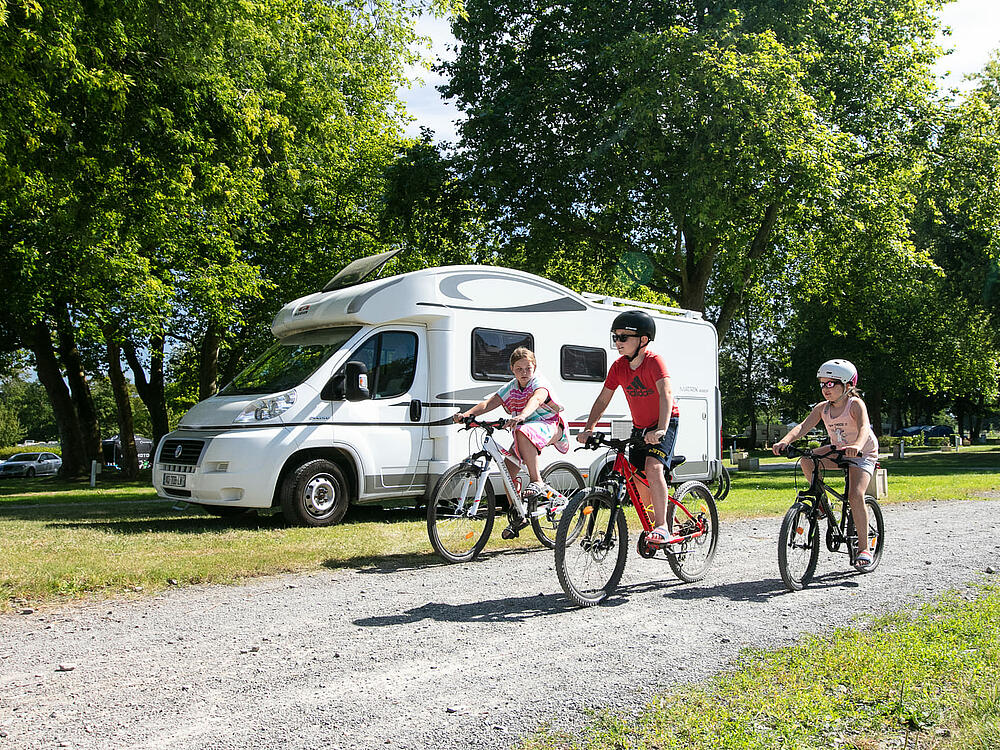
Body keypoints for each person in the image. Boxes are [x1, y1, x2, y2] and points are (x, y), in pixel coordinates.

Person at [576, 310, 679, 544]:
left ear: (643, 340)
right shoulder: (618, 367)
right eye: (615, 337)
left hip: (665, 422)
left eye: (624, 337)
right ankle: (657, 526)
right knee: (638, 479)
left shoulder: (654, 362)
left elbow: (666, 394)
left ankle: (662, 527)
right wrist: (589, 428)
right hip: (640, 426)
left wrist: (661, 429)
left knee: (653, 468)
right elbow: (603, 399)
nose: (618, 342)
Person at [772, 359, 879, 570]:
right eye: (822, 383)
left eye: (831, 383)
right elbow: (802, 426)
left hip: (862, 453)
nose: (825, 389)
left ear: (848, 385)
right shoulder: (822, 409)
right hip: (838, 449)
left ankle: (864, 548)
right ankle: (822, 503)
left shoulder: (855, 404)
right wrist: (785, 441)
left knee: (855, 495)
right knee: (806, 459)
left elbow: (864, 427)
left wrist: (857, 444)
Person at [454, 346, 569, 537]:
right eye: (519, 369)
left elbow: (537, 399)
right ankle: (519, 515)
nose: (524, 373)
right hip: (525, 429)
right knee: (507, 470)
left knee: (522, 431)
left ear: (534, 368)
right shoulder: (512, 386)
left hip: (550, 425)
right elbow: (488, 403)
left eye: (528, 368)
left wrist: (522, 415)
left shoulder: (538, 382)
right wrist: (466, 415)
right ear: (512, 369)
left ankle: (536, 480)